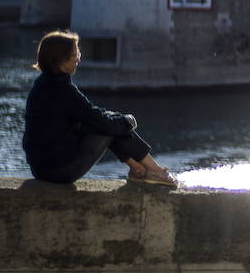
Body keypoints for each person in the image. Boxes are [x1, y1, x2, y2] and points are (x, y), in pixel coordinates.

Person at [22, 30, 177, 187]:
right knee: (108, 126)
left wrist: (118, 120)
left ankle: (138, 169)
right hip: (59, 171)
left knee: (106, 121)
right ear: (60, 60)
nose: (78, 59)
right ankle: (155, 170)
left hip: (39, 169)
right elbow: (103, 122)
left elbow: (91, 115)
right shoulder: (63, 91)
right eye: (75, 55)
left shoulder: (42, 85)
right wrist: (127, 122)